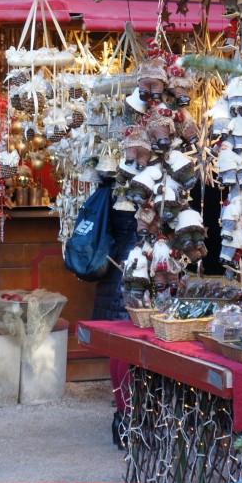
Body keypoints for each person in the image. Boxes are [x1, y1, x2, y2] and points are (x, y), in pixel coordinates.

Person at [88, 188, 137, 450]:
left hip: (115, 271)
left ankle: (122, 417)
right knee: (128, 350)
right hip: (132, 274)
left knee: (120, 350)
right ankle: (128, 416)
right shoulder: (139, 191)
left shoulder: (110, 186)